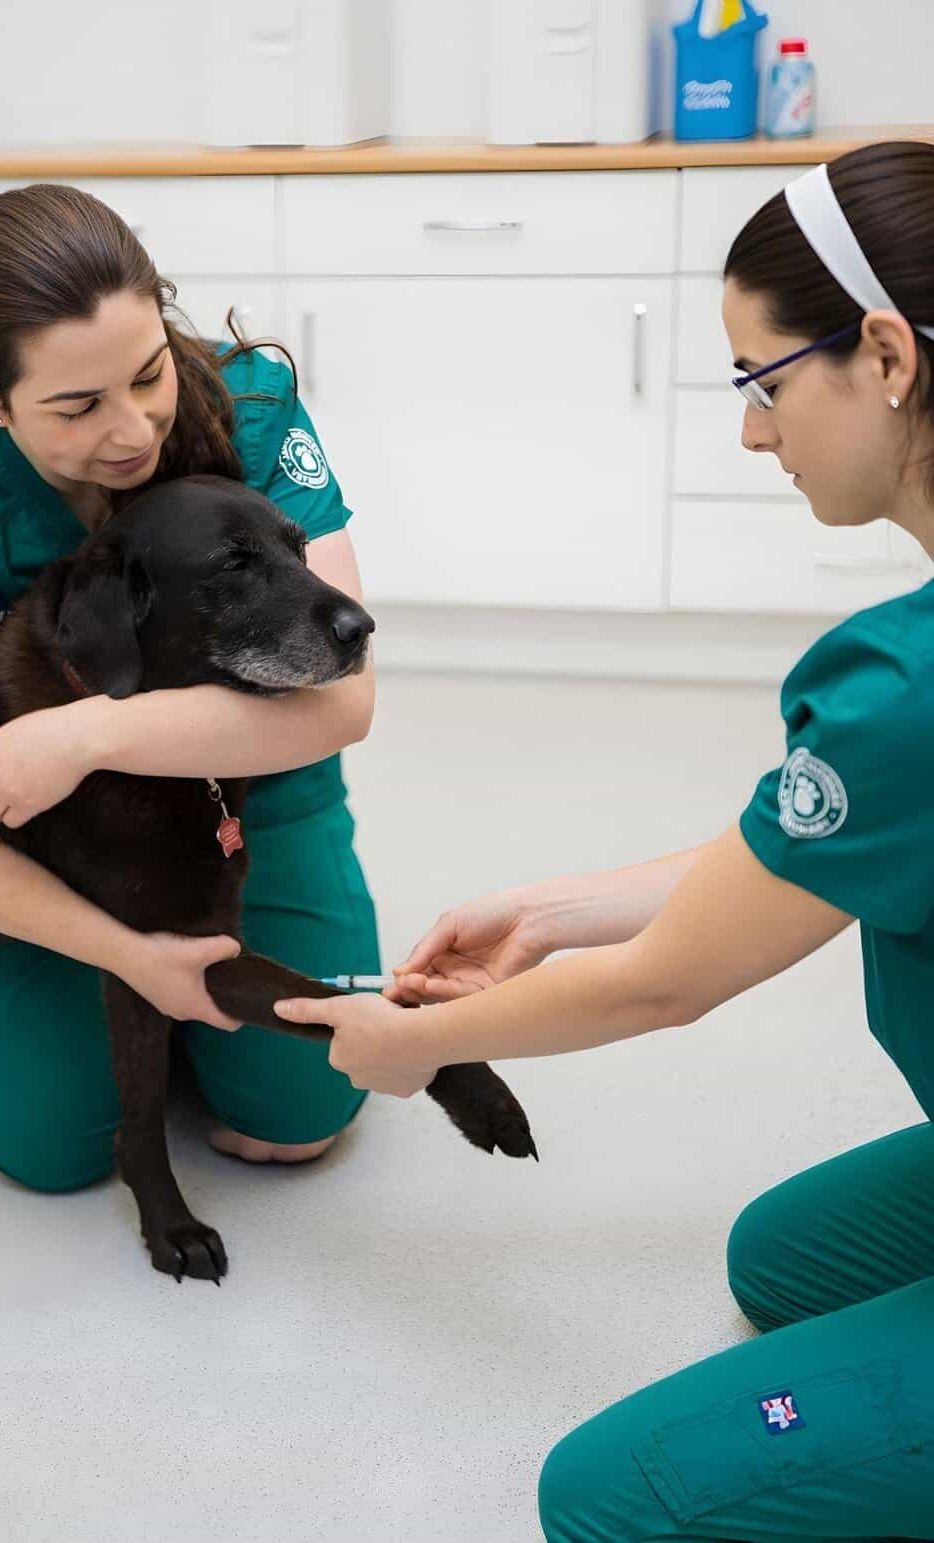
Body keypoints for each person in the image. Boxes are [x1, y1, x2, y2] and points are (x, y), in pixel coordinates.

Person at [276, 141, 934, 1540]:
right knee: (784, 1253)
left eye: (764, 383)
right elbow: (820, 847)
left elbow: (670, 982)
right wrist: (560, 907)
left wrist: (419, 1041)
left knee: (611, 1495)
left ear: (883, 354)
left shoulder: (905, 687)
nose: (756, 435)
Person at [0, 183, 380, 1191]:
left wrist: (83, 736)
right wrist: (118, 949)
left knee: (302, 1117)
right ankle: (120, 1014)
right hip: (41, 842)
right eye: (77, 406)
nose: (132, 430)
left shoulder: (250, 409)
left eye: (148, 374)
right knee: (50, 1151)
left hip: (240, 793)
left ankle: (193, 1020)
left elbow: (343, 699)